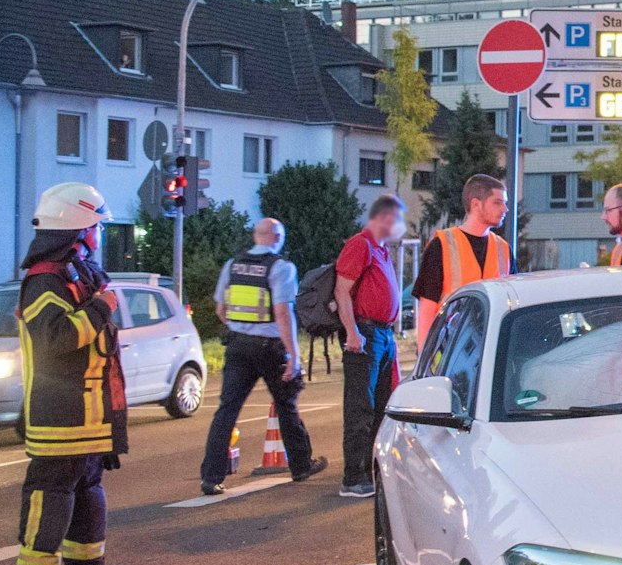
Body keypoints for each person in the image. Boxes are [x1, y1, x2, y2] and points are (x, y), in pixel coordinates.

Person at [12, 183, 141, 565]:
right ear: (78, 227)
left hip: (88, 412)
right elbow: (56, 338)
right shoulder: (44, 278)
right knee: (52, 496)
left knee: (88, 492)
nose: (100, 235)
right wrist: (102, 307)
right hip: (58, 413)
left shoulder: (79, 272)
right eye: (96, 227)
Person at [198, 218, 325, 495]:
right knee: (285, 402)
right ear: (278, 237)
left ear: (257, 236)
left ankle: (211, 477)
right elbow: (282, 313)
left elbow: (221, 309)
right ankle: (301, 465)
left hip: (237, 345)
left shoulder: (232, 265)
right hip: (268, 346)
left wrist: (239, 328)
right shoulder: (281, 268)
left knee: (227, 410)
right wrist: (293, 354)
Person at [334, 194, 407, 498]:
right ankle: (353, 477)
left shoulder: (382, 251)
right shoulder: (360, 245)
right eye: (399, 220)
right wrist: (352, 331)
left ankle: (370, 470)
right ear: (386, 218)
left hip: (382, 335)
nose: (401, 227)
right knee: (360, 408)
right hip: (364, 334)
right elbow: (342, 291)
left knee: (380, 406)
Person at [414, 174, 511, 350]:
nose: (505, 209)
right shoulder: (442, 244)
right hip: (449, 349)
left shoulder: (503, 248)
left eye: (505, 203)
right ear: (476, 204)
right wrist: (423, 356)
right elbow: (427, 305)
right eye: (497, 202)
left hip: (492, 348)